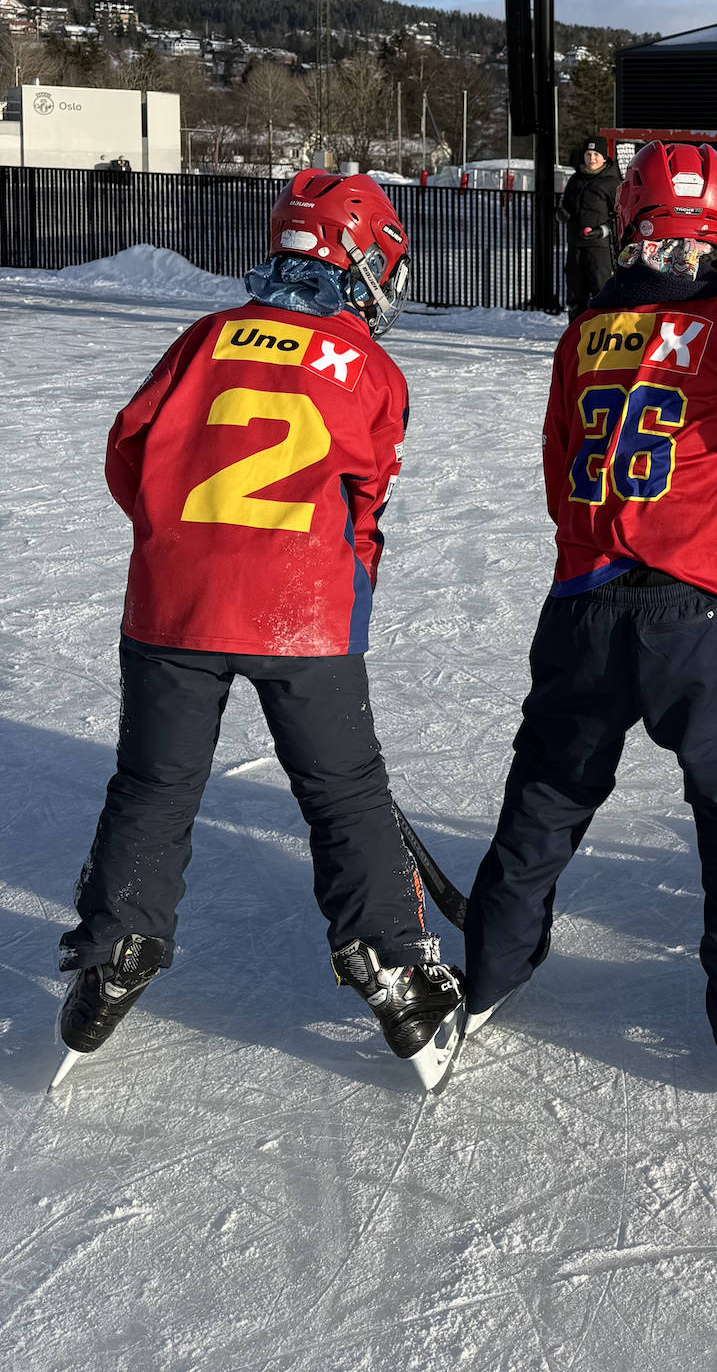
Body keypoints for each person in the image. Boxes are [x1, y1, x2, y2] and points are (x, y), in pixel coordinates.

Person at [56, 172, 464, 1093]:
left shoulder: (203, 338)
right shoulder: (368, 365)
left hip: (176, 601)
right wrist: (346, 580)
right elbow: (366, 502)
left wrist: (181, 541)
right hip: (302, 606)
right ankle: (394, 971)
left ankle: (114, 955)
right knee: (344, 793)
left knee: (154, 786)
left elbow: (129, 452)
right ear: (359, 259)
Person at [463, 146, 717, 1089]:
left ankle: (490, 968)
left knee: (548, 792)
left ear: (629, 220)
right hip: (699, 611)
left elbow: (558, 466)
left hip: (585, 602)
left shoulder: (583, 332)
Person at [561, 137, 622, 314]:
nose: (592, 158)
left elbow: (620, 217)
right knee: (575, 295)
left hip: (600, 249)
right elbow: (565, 206)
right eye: (588, 154)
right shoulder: (575, 180)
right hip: (575, 245)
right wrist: (561, 214)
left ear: (604, 157)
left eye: (596, 154)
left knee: (601, 293)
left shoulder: (612, 183)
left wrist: (602, 230)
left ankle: (602, 329)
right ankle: (576, 328)